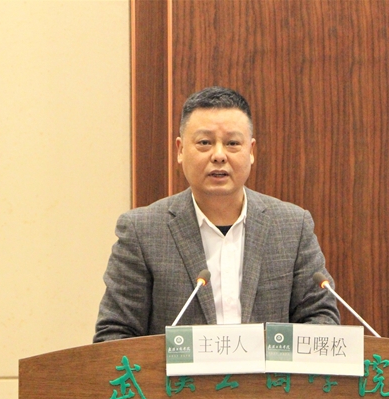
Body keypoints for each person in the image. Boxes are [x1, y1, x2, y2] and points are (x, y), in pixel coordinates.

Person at [93, 86, 340, 342]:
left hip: (268, 371)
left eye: (232, 143)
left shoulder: (292, 227)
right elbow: (114, 335)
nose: (219, 155)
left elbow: (321, 319)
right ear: (180, 149)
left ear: (251, 151)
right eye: (204, 143)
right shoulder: (142, 231)